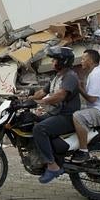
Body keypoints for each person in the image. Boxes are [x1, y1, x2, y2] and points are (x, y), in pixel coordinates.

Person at [31, 46, 80, 184]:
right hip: (56, 113)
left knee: (39, 129)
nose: (52, 62)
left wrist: (41, 101)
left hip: (67, 117)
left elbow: (60, 96)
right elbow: (42, 92)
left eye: (54, 60)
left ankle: (52, 166)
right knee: (32, 121)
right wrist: (25, 99)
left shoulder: (70, 76)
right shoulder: (56, 77)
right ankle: (44, 157)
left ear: (63, 61)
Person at [71, 49, 100, 163]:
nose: (81, 61)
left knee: (78, 116)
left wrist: (79, 88)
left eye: (83, 59)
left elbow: (92, 98)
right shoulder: (95, 73)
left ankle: (83, 151)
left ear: (90, 60)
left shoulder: (96, 74)